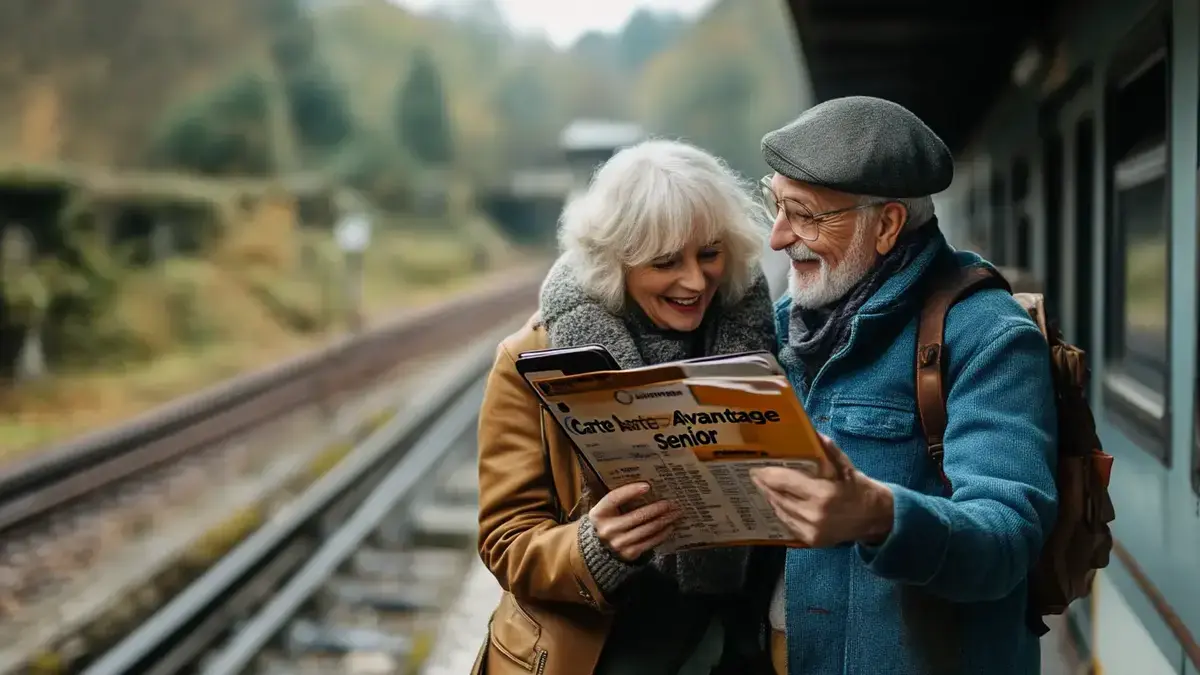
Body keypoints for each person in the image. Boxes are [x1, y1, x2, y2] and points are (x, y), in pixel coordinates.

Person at [749, 96, 1059, 675]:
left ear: (887, 224)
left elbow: (1008, 535)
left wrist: (881, 516)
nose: (777, 236)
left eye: (805, 214)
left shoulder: (988, 336)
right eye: (776, 204)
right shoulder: (783, 323)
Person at [472, 139, 781, 675]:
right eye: (665, 262)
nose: (694, 280)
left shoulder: (761, 342)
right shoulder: (529, 359)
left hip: (724, 650)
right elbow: (506, 540)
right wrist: (592, 548)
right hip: (590, 655)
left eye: (709, 253)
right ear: (614, 262)